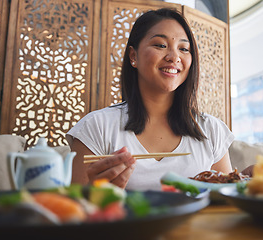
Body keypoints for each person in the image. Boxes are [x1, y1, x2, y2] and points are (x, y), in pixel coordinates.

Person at [66, 8, 234, 191]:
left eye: (184, 49)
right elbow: (76, 210)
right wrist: (96, 193)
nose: (174, 57)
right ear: (133, 56)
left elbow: (226, 203)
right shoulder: (97, 127)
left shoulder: (211, 130)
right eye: (160, 45)